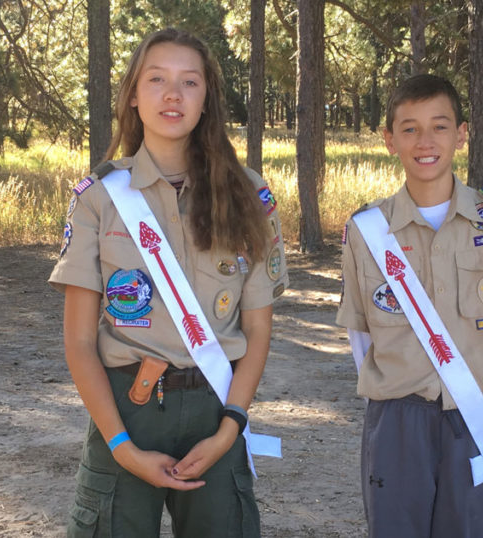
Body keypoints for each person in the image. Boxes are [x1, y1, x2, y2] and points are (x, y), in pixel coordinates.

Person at [48, 28, 289, 538]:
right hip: (124, 412)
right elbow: (79, 341)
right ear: (134, 96)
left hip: (215, 411)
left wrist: (230, 428)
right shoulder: (98, 197)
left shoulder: (249, 195)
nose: (173, 94)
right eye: (156, 79)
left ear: (207, 99)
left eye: (189, 82)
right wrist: (121, 447)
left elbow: (258, 330)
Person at [336, 74, 483, 537]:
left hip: (474, 415)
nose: (425, 141)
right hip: (397, 417)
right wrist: (396, 389)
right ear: (389, 139)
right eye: (409, 128)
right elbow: (361, 334)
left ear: (461, 133)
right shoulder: (368, 230)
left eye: (440, 126)